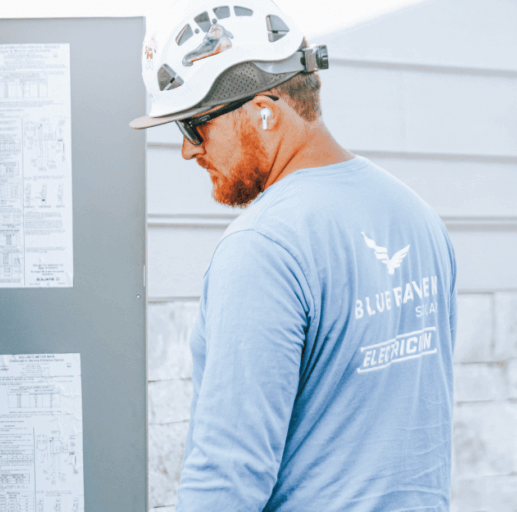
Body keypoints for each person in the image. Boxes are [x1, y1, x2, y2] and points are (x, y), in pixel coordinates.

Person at [130, 1, 458, 510]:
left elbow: (228, 472)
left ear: (264, 110)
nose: (188, 150)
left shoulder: (263, 249)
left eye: (195, 125)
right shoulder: (416, 216)